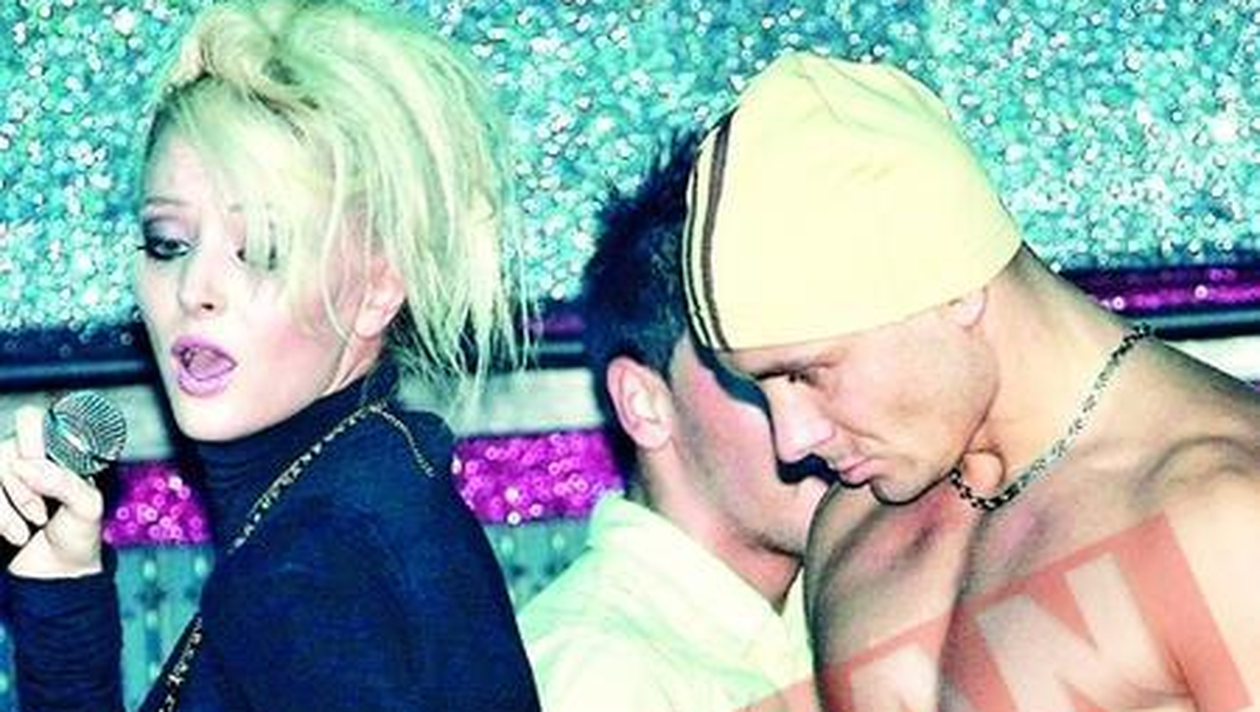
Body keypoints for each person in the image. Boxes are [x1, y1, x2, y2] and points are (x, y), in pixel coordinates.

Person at [0, 1, 542, 710]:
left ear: (377, 289)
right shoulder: (358, 503)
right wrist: (60, 587)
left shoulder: (320, 562)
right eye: (168, 243)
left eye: (258, 250)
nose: (194, 290)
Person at [681, 52, 1260, 710]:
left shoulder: (1223, 514)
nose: (792, 441)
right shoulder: (852, 522)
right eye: (760, 387)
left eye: (808, 374)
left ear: (955, 290)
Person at [517, 135, 827, 711]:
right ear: (644, 403)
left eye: (825, 365)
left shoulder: (835, 614)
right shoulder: (601, 674)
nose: (817, 419)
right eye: (765, 371)